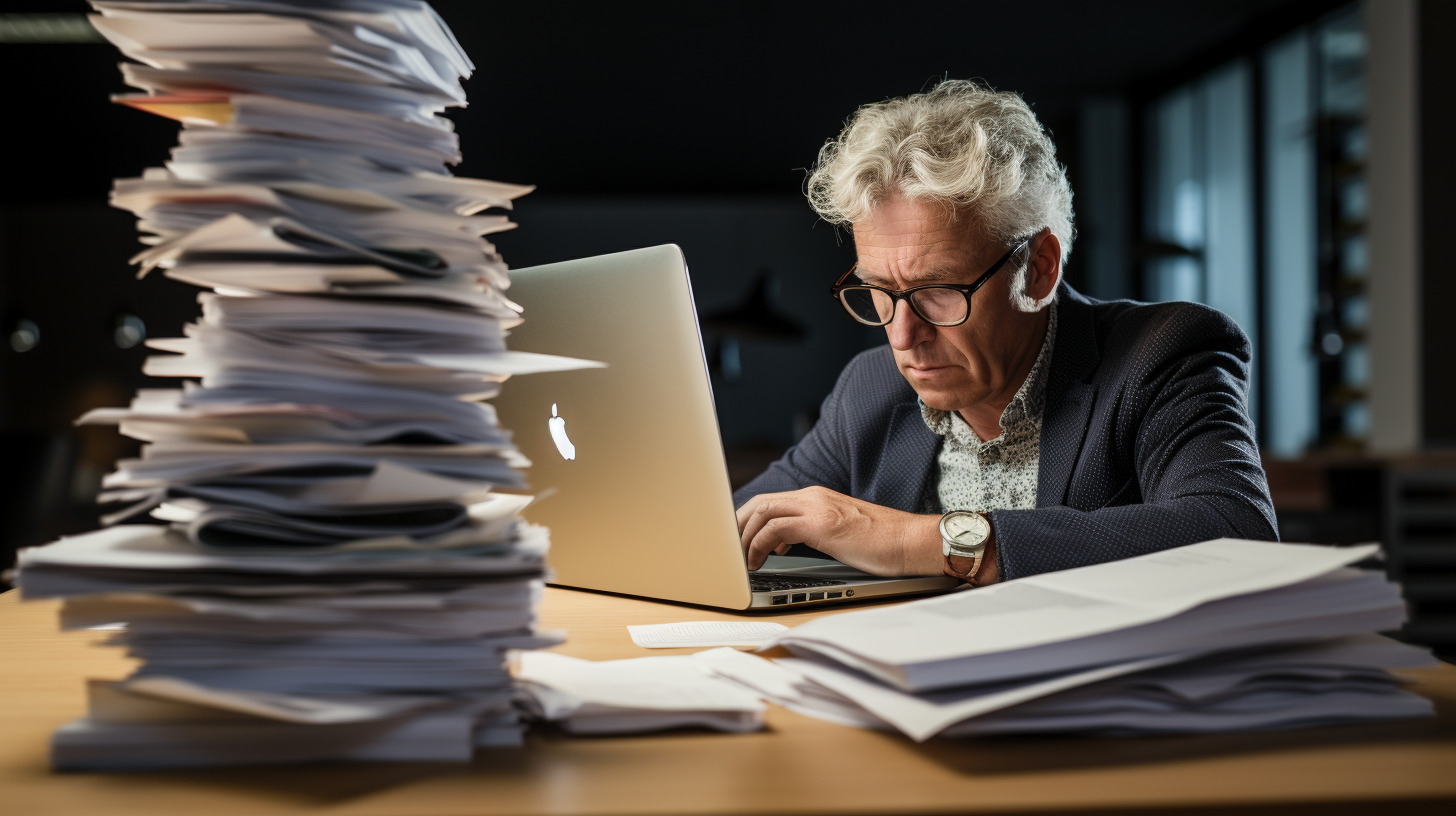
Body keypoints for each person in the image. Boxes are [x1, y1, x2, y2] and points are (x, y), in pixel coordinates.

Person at [734, 79, 1277, 586]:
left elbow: (1236, 534)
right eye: (880, 289)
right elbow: (734, 529)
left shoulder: (1163, 351)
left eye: (939, 290)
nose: (902, 336)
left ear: (1038, 268)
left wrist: (917, 541)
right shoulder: (868, 388)